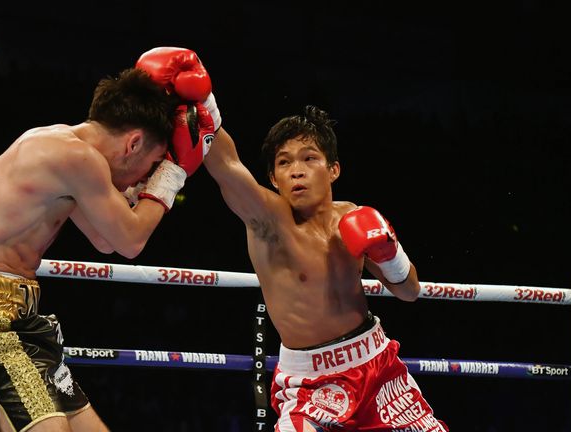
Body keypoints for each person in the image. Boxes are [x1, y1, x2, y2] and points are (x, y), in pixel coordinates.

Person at [137, 47, 448, 431]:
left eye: (309, 159)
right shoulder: (268, 222)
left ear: (333, 169)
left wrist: (390, 253)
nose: (296, 171)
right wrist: (198, 98)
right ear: (273, 178)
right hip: (311, 385)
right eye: (284, 163)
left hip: (379, 366)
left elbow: (409, 292)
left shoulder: (355, 218)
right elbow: (224, 161)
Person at [0, 66, 214, 432]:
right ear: (134, 143)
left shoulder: (65, 151)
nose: (147, 177)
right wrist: (173, 174)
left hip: (19, 323)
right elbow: (131, 241)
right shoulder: (77, 158)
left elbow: (106, 240)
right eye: (152, 165)